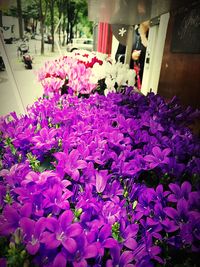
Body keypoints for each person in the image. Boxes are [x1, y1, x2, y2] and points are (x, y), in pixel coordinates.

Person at [115, 20, 150, 89]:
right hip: (128, 81)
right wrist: (130, 56)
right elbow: (117, 56)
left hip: (145, 82)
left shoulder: (154, 35)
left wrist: (143, 36)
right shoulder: (128, 34)